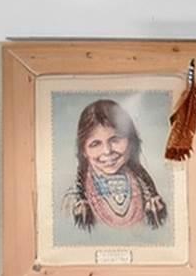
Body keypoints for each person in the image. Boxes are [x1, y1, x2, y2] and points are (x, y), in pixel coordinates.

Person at [68, 98, 169, 235]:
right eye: (95, 144)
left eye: (115, 140)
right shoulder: (73, 202)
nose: (107, 151)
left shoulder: (152, 199)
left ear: (131, 141)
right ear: (84, 151)